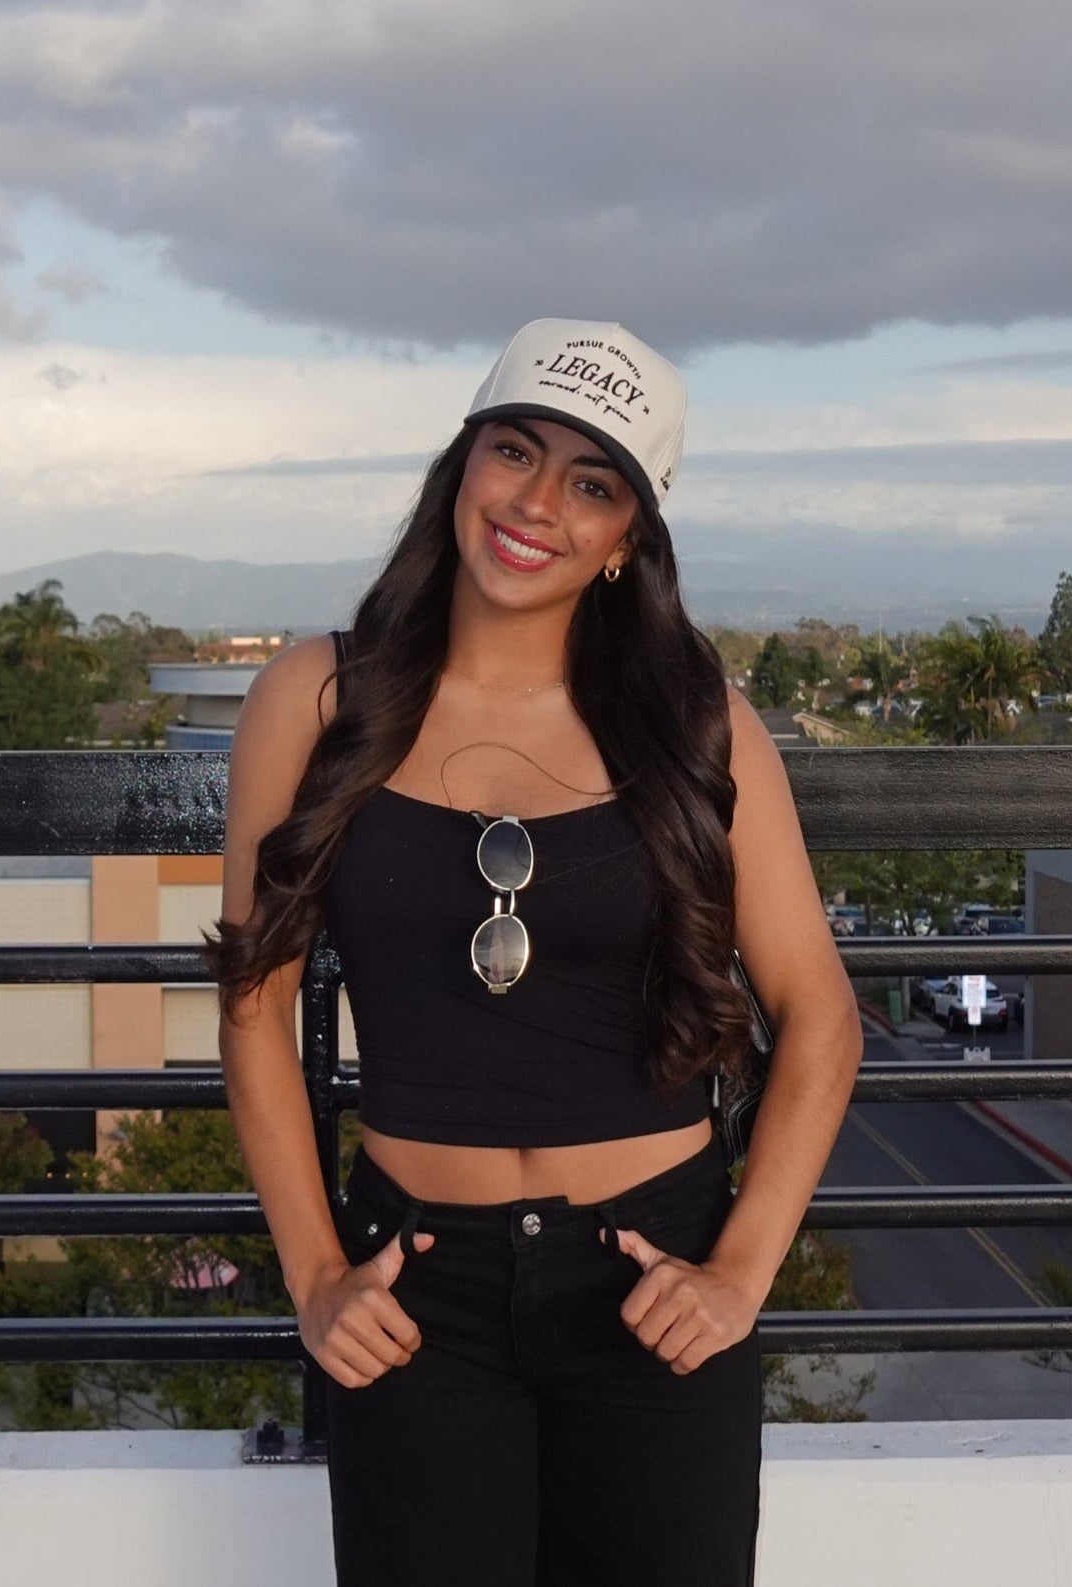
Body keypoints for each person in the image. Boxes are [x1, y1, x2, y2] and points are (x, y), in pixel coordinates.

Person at [210, 318, 862, 1586]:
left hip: (651, 1280)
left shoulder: (696, 725)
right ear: (462, 466)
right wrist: (317, 1277)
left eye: (593, 484)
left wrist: (738, 1273)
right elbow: (254, 1006)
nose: (539, 504)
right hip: (413, 1294)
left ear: (627, 540)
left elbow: (821, 1015)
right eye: (516, 452)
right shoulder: (317, 699)